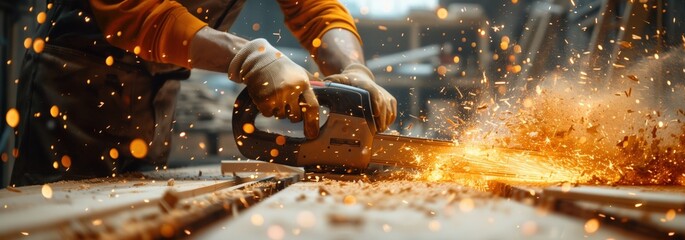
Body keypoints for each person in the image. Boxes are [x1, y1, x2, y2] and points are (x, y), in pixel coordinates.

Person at [11, 0, 396, 186]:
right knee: (62, 211)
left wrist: (353, 69)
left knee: (130, 207)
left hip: (157, 81)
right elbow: (132, 11)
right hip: (79, 79)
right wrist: (250, 58)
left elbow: (315, 10)